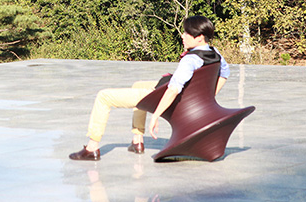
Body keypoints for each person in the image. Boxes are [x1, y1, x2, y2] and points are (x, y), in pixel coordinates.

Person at [69, 16, 230, 161]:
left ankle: (91, 148)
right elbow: (225, 73)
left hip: (171, 97)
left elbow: (173, 90)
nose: (182, 36)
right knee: (138, 85)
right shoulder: (215, 53)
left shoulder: (190, 60)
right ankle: (137, 140)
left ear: (199, 37)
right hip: (187, 96)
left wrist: (156, 115)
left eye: (187, 33)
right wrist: (208, 96)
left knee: (104, 97)